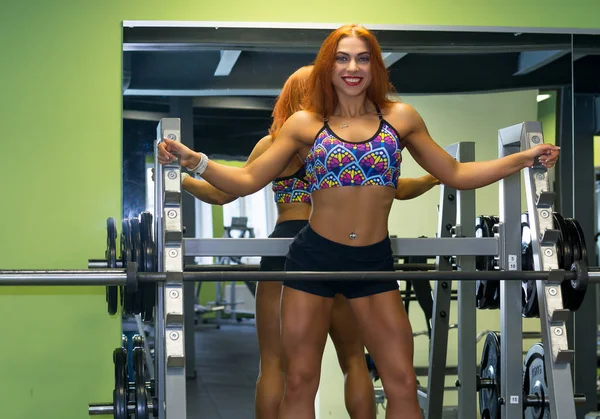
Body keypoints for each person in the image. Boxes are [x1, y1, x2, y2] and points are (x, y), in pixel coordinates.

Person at [158, 24, 559, 419]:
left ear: (375, 66)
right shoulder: (304, 125)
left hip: (372, 262)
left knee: (400, 381)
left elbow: (455, 173)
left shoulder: (401, 119)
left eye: (363, 58)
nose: (353, 67)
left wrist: (522, 160)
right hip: (312, 260)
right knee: (299, 381)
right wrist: (194, 161)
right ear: (327, 67)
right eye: (343, 58)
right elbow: (245, 181)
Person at [180, 65, 439, 419]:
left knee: (276, 365)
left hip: (288, 249)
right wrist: (432, 178)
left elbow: (223, 193)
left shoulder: (276, 144)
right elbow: (398, 189)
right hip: (341, 250)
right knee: (354, 361)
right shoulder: (343, 143)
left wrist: (181, 179)